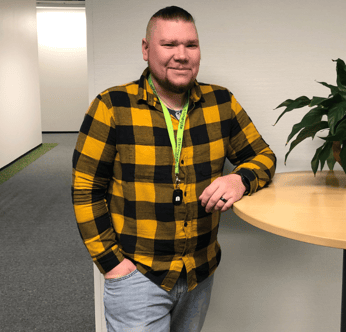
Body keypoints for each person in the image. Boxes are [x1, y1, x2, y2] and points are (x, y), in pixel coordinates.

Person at [71, 6, 276, 332]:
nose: (181, 55)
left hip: (200, 273)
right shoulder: (112, 106)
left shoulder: (222, 103)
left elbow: (263, 156)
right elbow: (86, 189)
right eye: (169, 44)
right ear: (145, 49)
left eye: (190, 45)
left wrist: (240, 179)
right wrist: (111, 264)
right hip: (137, 277)